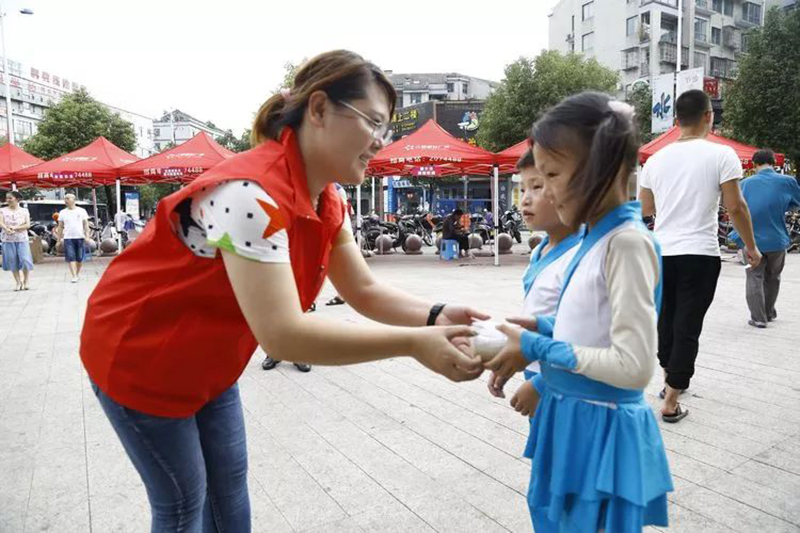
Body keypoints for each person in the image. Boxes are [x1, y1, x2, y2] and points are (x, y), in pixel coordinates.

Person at [80, 50, 487, 532]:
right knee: (182, 503)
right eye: (373, 123)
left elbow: (362, 289)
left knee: (228, 489)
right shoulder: (248, 194)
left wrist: (435, 315)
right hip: (140, 357)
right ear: (318, 110)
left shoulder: (327, 197)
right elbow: (283, 337)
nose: (380, 142)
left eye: (387, 130)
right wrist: (413, 344)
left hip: (208, 361)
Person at [487, 92, 673, 532]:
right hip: (574, 419)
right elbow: (593, 326)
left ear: (601, 167)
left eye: (551, 174)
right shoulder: (596, 237)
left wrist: (539, 346)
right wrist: (542, 327)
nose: (545, 190)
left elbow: (634, 367)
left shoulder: (626, 243)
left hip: (600, 430)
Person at [638, 89, 761, 423]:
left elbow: (647, 208)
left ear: (676, 121)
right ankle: (672, 399)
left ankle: (669, 378)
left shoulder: (655, 160)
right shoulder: (722, 155)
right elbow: (735, 206)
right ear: (709, 116)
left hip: (661, 251)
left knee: (666, 318)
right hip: (700, 252)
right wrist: (750, 246)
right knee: (688, 322)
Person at [486, 148, 580, 456]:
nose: (525, 198)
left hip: (565, 380)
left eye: (537, 187)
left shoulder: (578, 257)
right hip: (535, 367)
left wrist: (542, 384)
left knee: (561, 464)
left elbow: (584, 333)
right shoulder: (541, 250)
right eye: (522, 188)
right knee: (545, 459)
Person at [730, 149, 800, 327]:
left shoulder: (745, 183)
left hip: (751, 240)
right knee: (773, 277)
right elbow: (796, 202)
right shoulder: (788, 181)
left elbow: (736, 209)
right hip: (778, 239)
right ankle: (768, 312)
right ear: (774, 163)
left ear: (754, 165)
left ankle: (759, 318)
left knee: (754, 277)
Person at [1, 191, 34, 291]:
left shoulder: (24, 211)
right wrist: (6, 229)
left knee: (25, 260)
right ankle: (18, 282)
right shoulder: (2, 210)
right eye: (7, 198)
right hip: (7, 239)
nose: (8, 200)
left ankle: (26, 281)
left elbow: (27, 225)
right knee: (12, 261)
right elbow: (1, 222)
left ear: (17, 199)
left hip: (22, 239)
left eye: (10, 198)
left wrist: (15, 228)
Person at [56, 193, 91, 283]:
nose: (66, 200)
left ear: (73, 200)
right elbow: (60, 227)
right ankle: (74, 275)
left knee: (79, 258)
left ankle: (77, 273)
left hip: (80, 237)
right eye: (65, 199)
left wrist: (87, 236)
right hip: (68, 238)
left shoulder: (81, 211)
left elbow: (86, 225)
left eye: (68, 198)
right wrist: (58, 240)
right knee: (71, 257)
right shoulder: (63, 212)